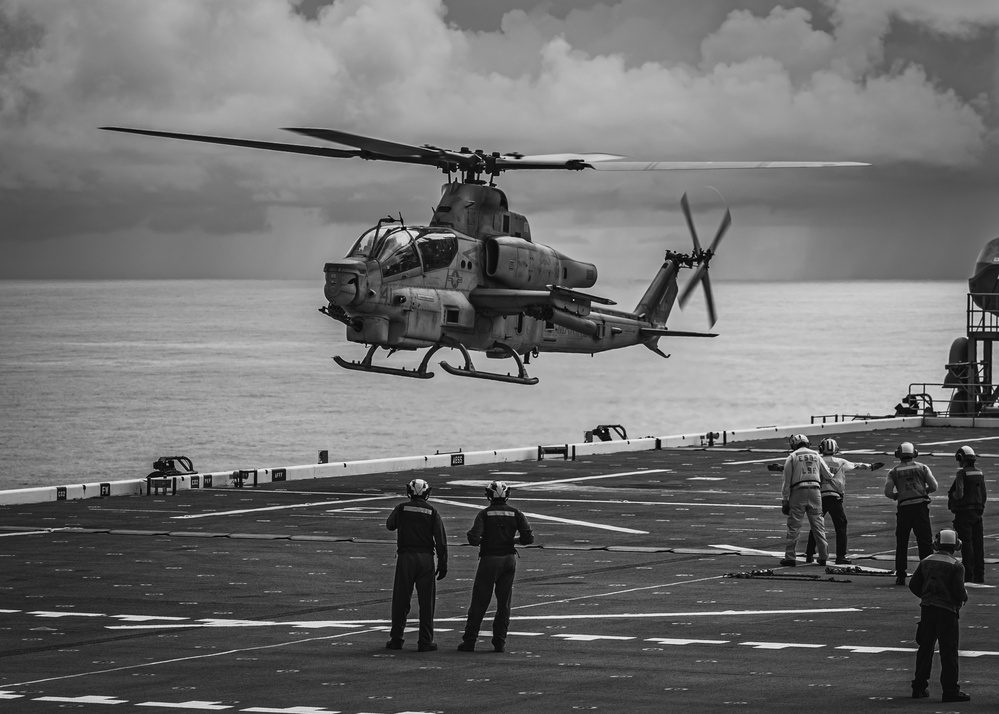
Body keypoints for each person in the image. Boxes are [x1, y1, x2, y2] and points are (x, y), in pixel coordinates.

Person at [457, 480, 534, 653]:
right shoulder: (516, 513)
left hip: (490, 560)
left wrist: (488, 540)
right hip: (509, 559)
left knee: (479, 601)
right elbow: (528, 538)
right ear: (507, 495)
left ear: (489, 495)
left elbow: (473, 539)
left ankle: (470, 641)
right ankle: (499, 641)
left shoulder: (484, 514)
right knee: (504, 603)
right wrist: (510, 540)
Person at [385, 478, 448, 652]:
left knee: (401, 600)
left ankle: (396, 638)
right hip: (426, 559)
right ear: (427, 493)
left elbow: (390, 525)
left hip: (406, 558)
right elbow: (441, 541)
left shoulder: (402, 508)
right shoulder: (433, 512)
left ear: (409, 492)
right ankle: (425, 641)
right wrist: (443, 563)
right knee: (427, 602)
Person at [908, 529, 970, 702]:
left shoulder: (926, 561)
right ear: (956, 546)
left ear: (936, 544)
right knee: (948, 651)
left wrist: (927, 596)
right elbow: (958, 591)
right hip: (947, 612)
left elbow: (914, 585)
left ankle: (919, 686)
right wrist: (964, 597)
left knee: (925, 648)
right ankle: (950, 690)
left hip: (927, 609)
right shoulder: (956, 565)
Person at [805, 438, 884, 565]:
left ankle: (809, 553)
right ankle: (840, 556)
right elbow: (858, 465)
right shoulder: (841, 462)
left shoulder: (816, 460)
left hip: (819, 497)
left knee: (816, 525)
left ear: (821, 449)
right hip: (835, 498)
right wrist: (871, 466)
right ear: (836, 449)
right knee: (840, 527)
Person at [884, 441, 938, 586]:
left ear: (898, 455)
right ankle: (927, 573)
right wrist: (923, 491)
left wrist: (897, 495)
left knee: (902, 542)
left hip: (904, 509)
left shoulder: (894, 471)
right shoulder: (923, 467)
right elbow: (934, 486)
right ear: (914, 453)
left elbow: (888, 492)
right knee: (925, 541)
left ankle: (901, 575)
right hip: (920, 507)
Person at [779, 434, 834, 567]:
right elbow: (828, 475)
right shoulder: (816, 455)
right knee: (818, 525)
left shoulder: (792, 457)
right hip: (815, 492)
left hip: (797, 492)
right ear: (807, 443)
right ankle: (823, 556)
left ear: (794, 444)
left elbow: (786, 483)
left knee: (794, 527)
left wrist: (785, 501)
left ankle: (790, 557)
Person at [948, 445, 988, 584]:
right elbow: (983, 494)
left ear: (961, 458)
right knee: (978, 544)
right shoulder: (980, 473)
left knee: (967, 544)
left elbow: (959, 494)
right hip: (977, 512)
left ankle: (969, 575)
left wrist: (953, 496)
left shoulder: (961, 474)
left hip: (964, 513)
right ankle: (980, 574)